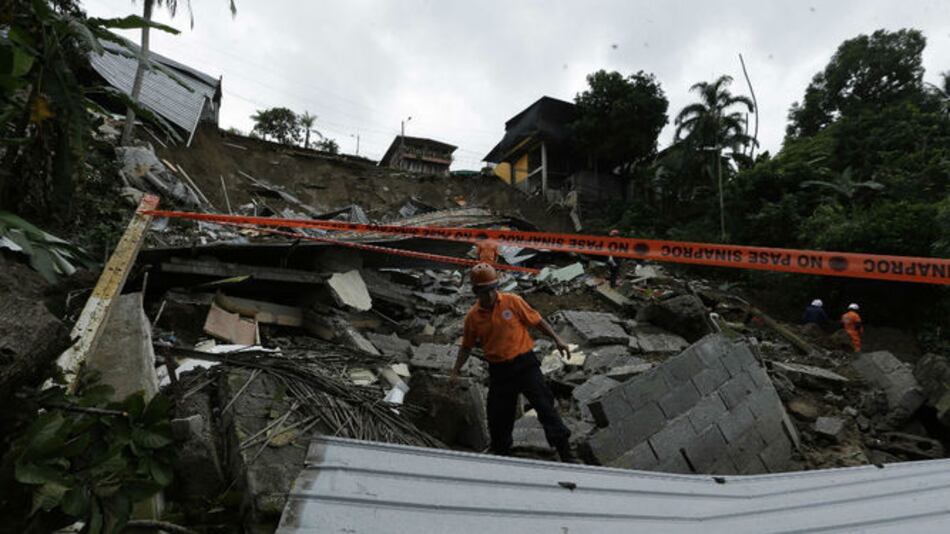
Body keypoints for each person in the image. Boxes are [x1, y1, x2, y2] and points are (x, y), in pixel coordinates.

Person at [450, 263, 578, 463]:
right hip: (500, 371)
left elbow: (537, 321)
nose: (490, 295)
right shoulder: (473, 318)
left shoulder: (512, 301)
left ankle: (566, 453)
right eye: (484, 291)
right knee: (498, 417)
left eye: (492, 289)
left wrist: (557, 339)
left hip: (526, 365)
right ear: (476, 292)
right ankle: (502, 457)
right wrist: (455, 371)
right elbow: (466, 347)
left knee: (545, 406)